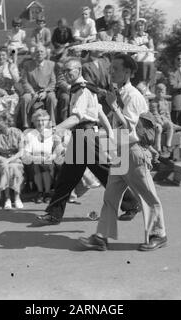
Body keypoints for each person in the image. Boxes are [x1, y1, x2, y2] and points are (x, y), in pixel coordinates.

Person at [78, 53, 167, 252]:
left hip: (133, 152)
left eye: (116, 69)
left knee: (147, 196)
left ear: (128, 72)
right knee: (110, 197)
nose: (111, 72)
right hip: (121, 152)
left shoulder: (133, 96)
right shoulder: (118, 93)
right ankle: (101, 237)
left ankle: (158, 234)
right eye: (111, 69)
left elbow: (129, 127)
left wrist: (114, 107)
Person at [36, 58, 140, 226]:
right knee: (68, 177)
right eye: (65, 71)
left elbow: (77, 117)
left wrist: (54, 131)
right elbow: (98, 110)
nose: (67, 74)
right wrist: (108, 131)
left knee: (104, 171)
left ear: (79, 70)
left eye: (70, 70)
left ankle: (131, 203)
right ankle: (54, 214)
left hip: (85, 134)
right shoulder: (83, 88)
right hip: (82, 134)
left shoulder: (82, 90)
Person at [24, 110, 61, 203]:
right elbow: (27, 152)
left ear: (47, 121)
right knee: (38, 164)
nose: (40, 123)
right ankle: (42, 192)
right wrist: (35, 158)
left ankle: (45, 192)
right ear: (34, 121)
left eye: (43, 120)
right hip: (35, 160)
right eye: (38, 120)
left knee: (45, 164)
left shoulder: (52, 133)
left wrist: (52, 156)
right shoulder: (29, 135)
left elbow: (58, 149)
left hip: (50, 159)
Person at [0, 113, 24, 210]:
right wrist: (5, 161)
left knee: (13, 167)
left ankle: (17, 197)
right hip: (1, 161)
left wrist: (9, 160)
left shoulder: (18, 132)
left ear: (6, 121)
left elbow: (21, 151)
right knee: (6, 167)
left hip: (15, 160)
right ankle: (7, 198)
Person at [20, 45, 57, 129]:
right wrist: (32, 92)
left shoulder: (51, 64)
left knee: (52, 98)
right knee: (25, 98)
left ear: (45, 54)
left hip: (46, 90)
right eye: (37, 52)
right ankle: (26, 125)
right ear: (33, 54)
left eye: (41, 51)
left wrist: (46, 92)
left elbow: (53, 81)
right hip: (32, 91)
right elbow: (24, 81)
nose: (39, 53)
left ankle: (52, 123)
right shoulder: (27, 64)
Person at [0, 46, 20, 124]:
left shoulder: (12, 66)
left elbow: (16, 80)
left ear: (7, 56)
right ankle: (1, 125)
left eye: (3, 55)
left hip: (11, 92)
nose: (1, 57)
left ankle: (12, 125)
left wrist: (11, 70)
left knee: (13, 101)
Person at [82, 51, 112, 116]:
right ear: (90, 50)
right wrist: (102, 92)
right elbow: (90, 84)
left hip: (109, 93)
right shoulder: (86, 65)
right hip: (96, 95)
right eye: (96, 49)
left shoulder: (105, 61)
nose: (100, 49)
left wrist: (112, 90)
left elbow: (112, 77)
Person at [130, 18, 156, 89]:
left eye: (141, 25)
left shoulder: (148, 36)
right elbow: (135, 47)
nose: (140, 27)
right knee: (142, 63)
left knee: (150, 62)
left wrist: (147, 48)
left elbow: (151, 46)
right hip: (138, 56)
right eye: (138, 26)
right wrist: (144, 46)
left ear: (144, 26)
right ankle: (142, 84)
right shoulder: (133, 37)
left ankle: (147, 85)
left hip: (147, 55)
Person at [150, 83, 174, 157]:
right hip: (155, 121)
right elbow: (155, 114)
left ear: (165, 93)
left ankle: (168, 145)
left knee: (170, 125)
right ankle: (158, 148)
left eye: (162, 92)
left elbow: (167, 113)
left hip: (164, 120)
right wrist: (160, 121)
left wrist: (169, 120)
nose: (160, 94)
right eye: (158, 92)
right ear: (156, 92)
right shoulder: (153, 102)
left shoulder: (166, 102)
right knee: (159, 129)